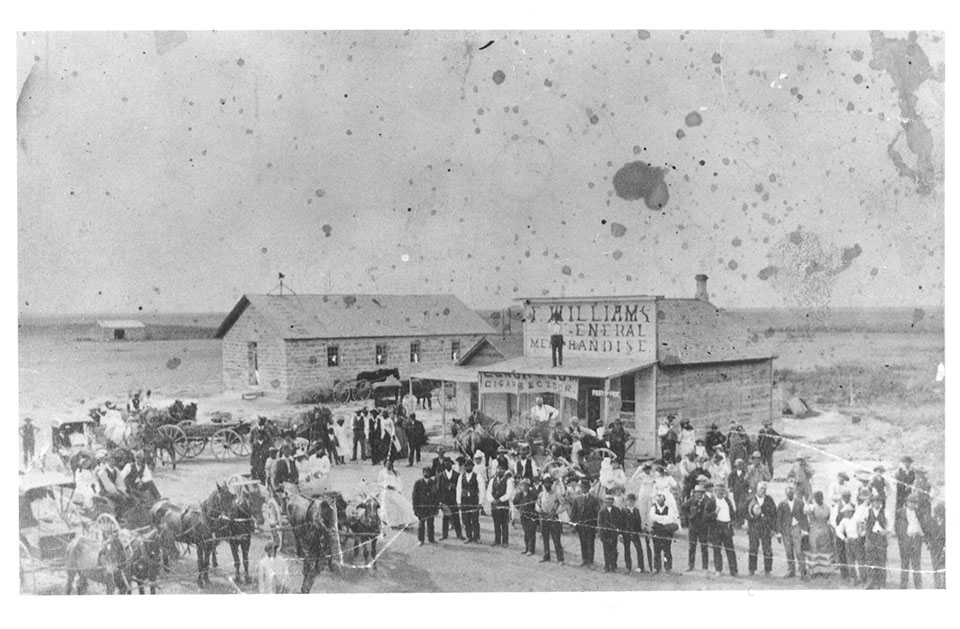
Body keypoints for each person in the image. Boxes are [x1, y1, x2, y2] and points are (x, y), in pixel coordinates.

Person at [777, 484, 809, 579]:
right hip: (786, 529)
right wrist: (778, 533)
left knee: (799, 551)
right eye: (788, 493)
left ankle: (803, 571)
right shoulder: (782, 504)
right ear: (785, 494)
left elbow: (804, 517)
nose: (790, 495)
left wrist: (805, 530)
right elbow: (778, 519)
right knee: (788, 551)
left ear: (794, 493)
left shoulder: (800, 503)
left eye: (791, 493)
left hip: (797, 528)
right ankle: (791, 570)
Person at [745, 481, 777, 576]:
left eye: (764, 489)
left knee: (767, 549)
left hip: (766, 529)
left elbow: (774, 514)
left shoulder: (769, 500)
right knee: (753, 549)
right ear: (756, 489)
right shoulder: (750, 499)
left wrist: (773, 528)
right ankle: (752, 570)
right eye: (761, 489)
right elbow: (742, 513)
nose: (762, 491)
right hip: (754, 528)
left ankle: (768, 570)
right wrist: (752, 516)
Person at [706, 483, 738, 576]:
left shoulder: (727, 500)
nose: (720, 493)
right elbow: (705, 517)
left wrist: (733, 521)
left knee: (730, 549)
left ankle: (733, 570)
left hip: (726, 527)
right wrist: (714, 513)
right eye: (719, 491)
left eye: (722, 491)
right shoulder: (711, 502)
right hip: (716, 527)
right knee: (717, 550)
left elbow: (732, 513)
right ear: (715, 491)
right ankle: (718, 570)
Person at [894, 492, 925, 589]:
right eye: (910, 502)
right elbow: (896, 527)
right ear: (906, 502)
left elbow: (922, 526)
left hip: (915, 541)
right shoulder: (900, 512)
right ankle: (903, 586)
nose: (912, 504)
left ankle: (918, 586)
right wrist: (902, 538)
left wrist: (919, 537)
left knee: (916, 564)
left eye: (914, 502)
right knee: (905, 564)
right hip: (905, 542)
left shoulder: (919, 512)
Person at [569, 478, 600, 568]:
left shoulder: (594, 499)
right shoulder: (577, 499)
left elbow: (597, 513)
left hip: (590, 525)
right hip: (581, 525)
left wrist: (597, 526)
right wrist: (573, 525)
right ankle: (584, 560)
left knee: (590, 543)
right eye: (582, 487)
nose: (584, 489)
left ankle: (590, 561)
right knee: (583, 543)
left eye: (585, 487)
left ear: (589, 488)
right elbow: (573, 513)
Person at [804, 491, 836, 577]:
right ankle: (814, 571)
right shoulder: (812, 507)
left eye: (819, 498)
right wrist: (808, 501)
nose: (818, 500)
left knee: (824, 551)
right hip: (814, 530)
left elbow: (830, 519)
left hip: (825, 530)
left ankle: (824, 571)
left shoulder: (827, 508)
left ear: (822, 498)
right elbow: (805, 511)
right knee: (814, 551)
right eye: (816, 498)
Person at [863, 493, 890, 589]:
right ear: (871, 502)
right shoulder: (867, 511)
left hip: (881, 538)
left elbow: (890, 526)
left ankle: (881, 583)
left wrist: (886, 531)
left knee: (881, 561)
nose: (876, 503)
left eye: (878, 501)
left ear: (881, 502)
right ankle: (871, 582)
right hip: (870, 538)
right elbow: (859, 520)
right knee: (870, 561)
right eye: (874, 501)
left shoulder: (886, 512)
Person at [835, 500, 865, 585]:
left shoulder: (857, 519)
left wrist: (861, 535)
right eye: (845, 512)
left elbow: (864, 528)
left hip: (857, 541)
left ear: (851, 512)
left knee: (860, 561)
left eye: (848, 512)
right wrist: (843, 538)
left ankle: (863, 579)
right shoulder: (844, 521)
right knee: (850, 562)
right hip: (849, 542)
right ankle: (854, 578)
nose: (846, 514)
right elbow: (838, 530)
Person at [536, 476, 565, 564]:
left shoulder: (556, 494)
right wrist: (539, 510)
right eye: (545, 483)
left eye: (549, 483)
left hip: (553, 518)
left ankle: (560, 559)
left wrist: (556, 512)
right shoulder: (541, 494)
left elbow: (563, 505)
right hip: (544, 518)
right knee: (545, 538)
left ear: (552, 484)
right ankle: (546, 556)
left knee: (556, 539)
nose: (547, 485)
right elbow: (537, 504)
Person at [649, 490, 679, 572]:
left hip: (666, 532)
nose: (660, 502)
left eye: (662, 500)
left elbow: (670, 519)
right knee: (657, 550)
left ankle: (668, 567)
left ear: (664, 500)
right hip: (656, 531)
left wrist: (658, 518)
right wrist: (663, 519)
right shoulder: (653, 507)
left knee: (667, 550)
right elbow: (652, 517)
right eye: (658, 500)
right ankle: (657, 568)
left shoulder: (669, 508)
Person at [681, 484, 709, 572]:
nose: (699, 494)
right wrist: (689, 516)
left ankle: (705, 567)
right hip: (693, 527)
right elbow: (683, 508)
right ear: (694, 493)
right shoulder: (691, 501)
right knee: (692, 546)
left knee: (704, 547)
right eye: (697, 493)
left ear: (703, 493)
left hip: (703, 528)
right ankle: (690, 565)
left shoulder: (706, 501)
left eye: (700, 493)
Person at [487, 463, 514, 547]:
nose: (499, 471)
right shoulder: (492, 480)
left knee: (504, 523)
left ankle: (505, 541)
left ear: (504, 471)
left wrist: (499, 500)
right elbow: (488, 492)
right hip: (494, 505)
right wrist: (492, 500)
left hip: (503, 504)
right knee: (496, 523)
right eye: (498, 469)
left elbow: (509, 493)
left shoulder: (508, 481)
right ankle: (497, 540)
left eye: (501, 469)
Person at [437, 457, 463, 540]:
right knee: (445, 517)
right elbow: (439, 489)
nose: (447, 465)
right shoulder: (441, 475)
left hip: (454, 499)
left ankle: (459, 534)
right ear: (444, 465)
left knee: (456, 517)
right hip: (445, 500)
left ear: (452, 465)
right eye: (446, 463)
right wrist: (440, 501)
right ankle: (444, 535)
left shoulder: (457, 475)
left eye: (449, 463)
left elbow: (460, 488)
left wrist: (454, 487)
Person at [412, 466, 439, 545]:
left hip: (431, 507)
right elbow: (414, 497)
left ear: (430, 473)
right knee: (421, 524)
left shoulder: (433, 483)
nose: (426, 473)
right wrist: (415, 508)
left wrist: (436, 508)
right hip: (421, 508)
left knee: (431, 524)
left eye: (427, 472)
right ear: (422, 473)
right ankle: (421, 540)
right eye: (424, 472)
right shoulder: (418, 483)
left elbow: (436, 496)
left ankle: (431, 539)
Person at [457, 459, 482, 543]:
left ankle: (477, 537)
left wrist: (480, 503)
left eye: (470, 466)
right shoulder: (461, 477)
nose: (468, 467)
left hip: (473, 500)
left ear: (472, 467)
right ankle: (469, 536)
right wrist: (459, 502)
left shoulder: (477, 476)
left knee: (475, 519)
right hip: (464, 500)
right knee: (466, 519)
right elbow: (458, 489)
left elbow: (482, 490)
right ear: (464, 467)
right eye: (466, 466)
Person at [621, 493, 645, 573]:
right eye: (629, 501)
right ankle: (628, 567)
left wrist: (640, 530)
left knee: (639, 549)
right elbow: (620, 523)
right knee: (627, 550)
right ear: (626, 501)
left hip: (635, 533)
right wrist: (620, 534)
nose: (630, 503)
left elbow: (639, 521)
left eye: (632, 501)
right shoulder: (623, 510)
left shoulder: (636, 510)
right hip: (626, 533)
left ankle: (641, 567)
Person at [515, 478, 540, 556]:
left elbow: (537, 504)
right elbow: (515, 502)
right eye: (523, 485)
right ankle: (526, 548)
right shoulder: (519, 494)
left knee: (532, 532)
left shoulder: (533, 494)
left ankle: (531, 549)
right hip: (523, 516)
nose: (524, 487)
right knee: (526, 532)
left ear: (529, 486)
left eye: (526, 485)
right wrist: (520, 509)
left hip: (531, 515)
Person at [597, 495, 622, 573]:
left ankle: (614, 565)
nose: (608, 503)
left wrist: (619, 533)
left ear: (613, 502)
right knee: (606, 550)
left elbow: (619, 523)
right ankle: (607, 566)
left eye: (610, 501)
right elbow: (600, 524)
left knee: (614, 550)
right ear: (605, 502)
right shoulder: (602, 511)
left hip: (613, 534)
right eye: (607, 501)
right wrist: (601, 534)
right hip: (605, 534)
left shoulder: (617, 511)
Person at [926, 501, 945, 589]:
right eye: (938, 512)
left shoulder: (946, 521)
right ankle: (937, 585)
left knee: (944, 567)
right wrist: (928, 542)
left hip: (944, 547)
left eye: (941, 513)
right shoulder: (931, 521)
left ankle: (944, 585)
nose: (939, 515)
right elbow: (927, 534)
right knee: (935, 566)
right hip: (934, 547)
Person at [728, 458, 750, 526]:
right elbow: (729, 480)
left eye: (740, 465)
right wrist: (731, 487)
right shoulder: (733, 473)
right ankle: (738, 520)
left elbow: (748, 482)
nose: (739, 467)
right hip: (736, 491)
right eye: (737, 465)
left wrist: (748, 489)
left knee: (741, 506)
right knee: (737, 505)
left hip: (743, 492)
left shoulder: (745, 473)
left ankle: (740, 520)